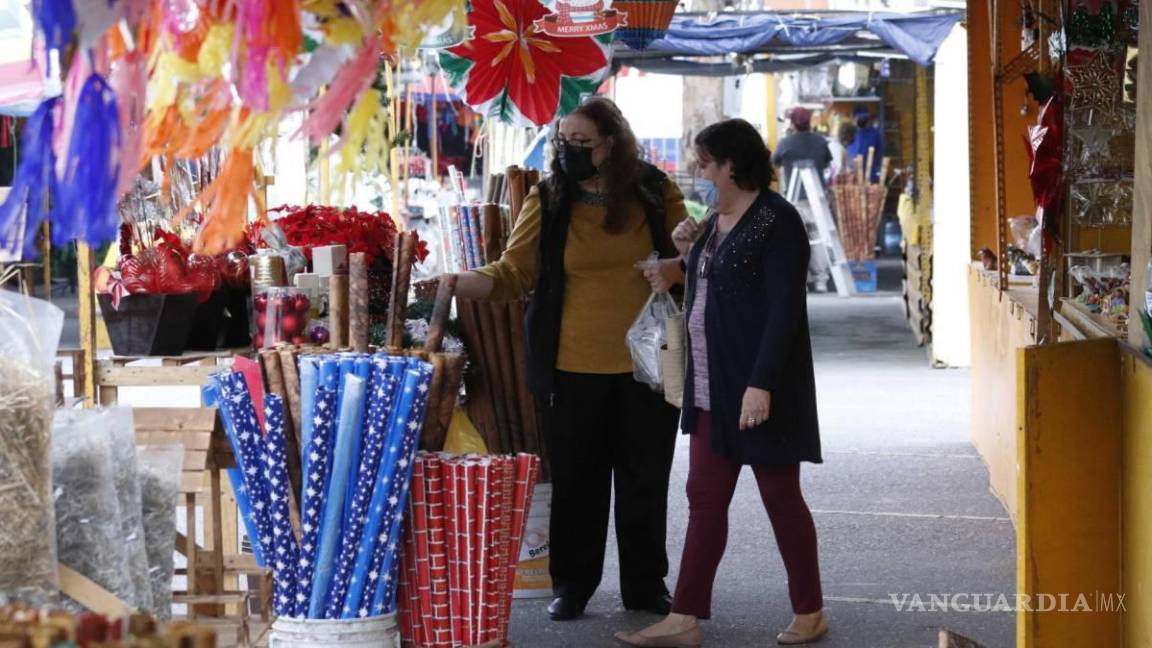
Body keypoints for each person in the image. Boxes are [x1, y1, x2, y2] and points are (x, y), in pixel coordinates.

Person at [451, 97, 689, 621]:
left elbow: (692, 254)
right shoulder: (550, 196)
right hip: (572, 366)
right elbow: (514, 272)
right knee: (578, 483)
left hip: (649, 366)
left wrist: (679, 259)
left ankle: (646, 586)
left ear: (612, 145)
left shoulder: (653, 189)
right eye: (563, 141)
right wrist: (454, 283)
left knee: (644, 481)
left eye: (581, 143)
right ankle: (573, 585)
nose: (568, 152)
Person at [617, 118, 827, 647]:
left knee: (781, 497)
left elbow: (784, 309)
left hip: (758, 387)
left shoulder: (777, 220)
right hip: (711, 385)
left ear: (732, 164)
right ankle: (685, 617)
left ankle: (810, 611)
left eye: (705, 161)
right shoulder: (714, 220)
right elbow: (713, 283)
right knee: (705, 497)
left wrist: (762, 383)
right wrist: (685, 250)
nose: (698, 169)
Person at [771, 107, 832, 191]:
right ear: (809, 121)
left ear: (792, 123)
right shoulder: (821, 141)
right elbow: (826, 164)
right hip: (819, 197)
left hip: (794, 198)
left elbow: (775, 163)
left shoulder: (784, 143)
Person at [847, 105, 884, 182]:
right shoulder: (850, 132)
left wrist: (877, 170)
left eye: (865, 117)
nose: (863, 119)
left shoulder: (875, 134)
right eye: (860, 117)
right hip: (852, 176)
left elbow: (880, 153)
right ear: (854, 118)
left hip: (870, 175)